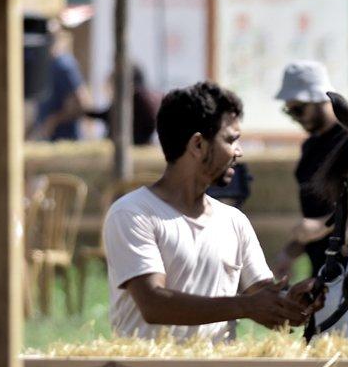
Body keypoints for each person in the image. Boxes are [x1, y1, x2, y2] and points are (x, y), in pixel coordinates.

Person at [103, 81, 323, 342]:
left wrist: (295, 301)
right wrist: (245, 305)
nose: (238, 152)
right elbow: (154, 304)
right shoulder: (132, 214)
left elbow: (264, 301)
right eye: (231, 140)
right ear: (198, 145)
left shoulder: (233, 221)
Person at [271, 61, 348, 337]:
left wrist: (322, 225)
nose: (294, 116)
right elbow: (315, 213)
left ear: (321, 98)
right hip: (321, 270)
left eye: (298, 109)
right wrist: (290, 251)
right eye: (289, 110)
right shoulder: (311, 146)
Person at [30, 26, 93, 141]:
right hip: (48, 139)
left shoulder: (64, 65)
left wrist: (54, 120)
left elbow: (81, 100)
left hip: (66, 138)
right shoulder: (44, 65)